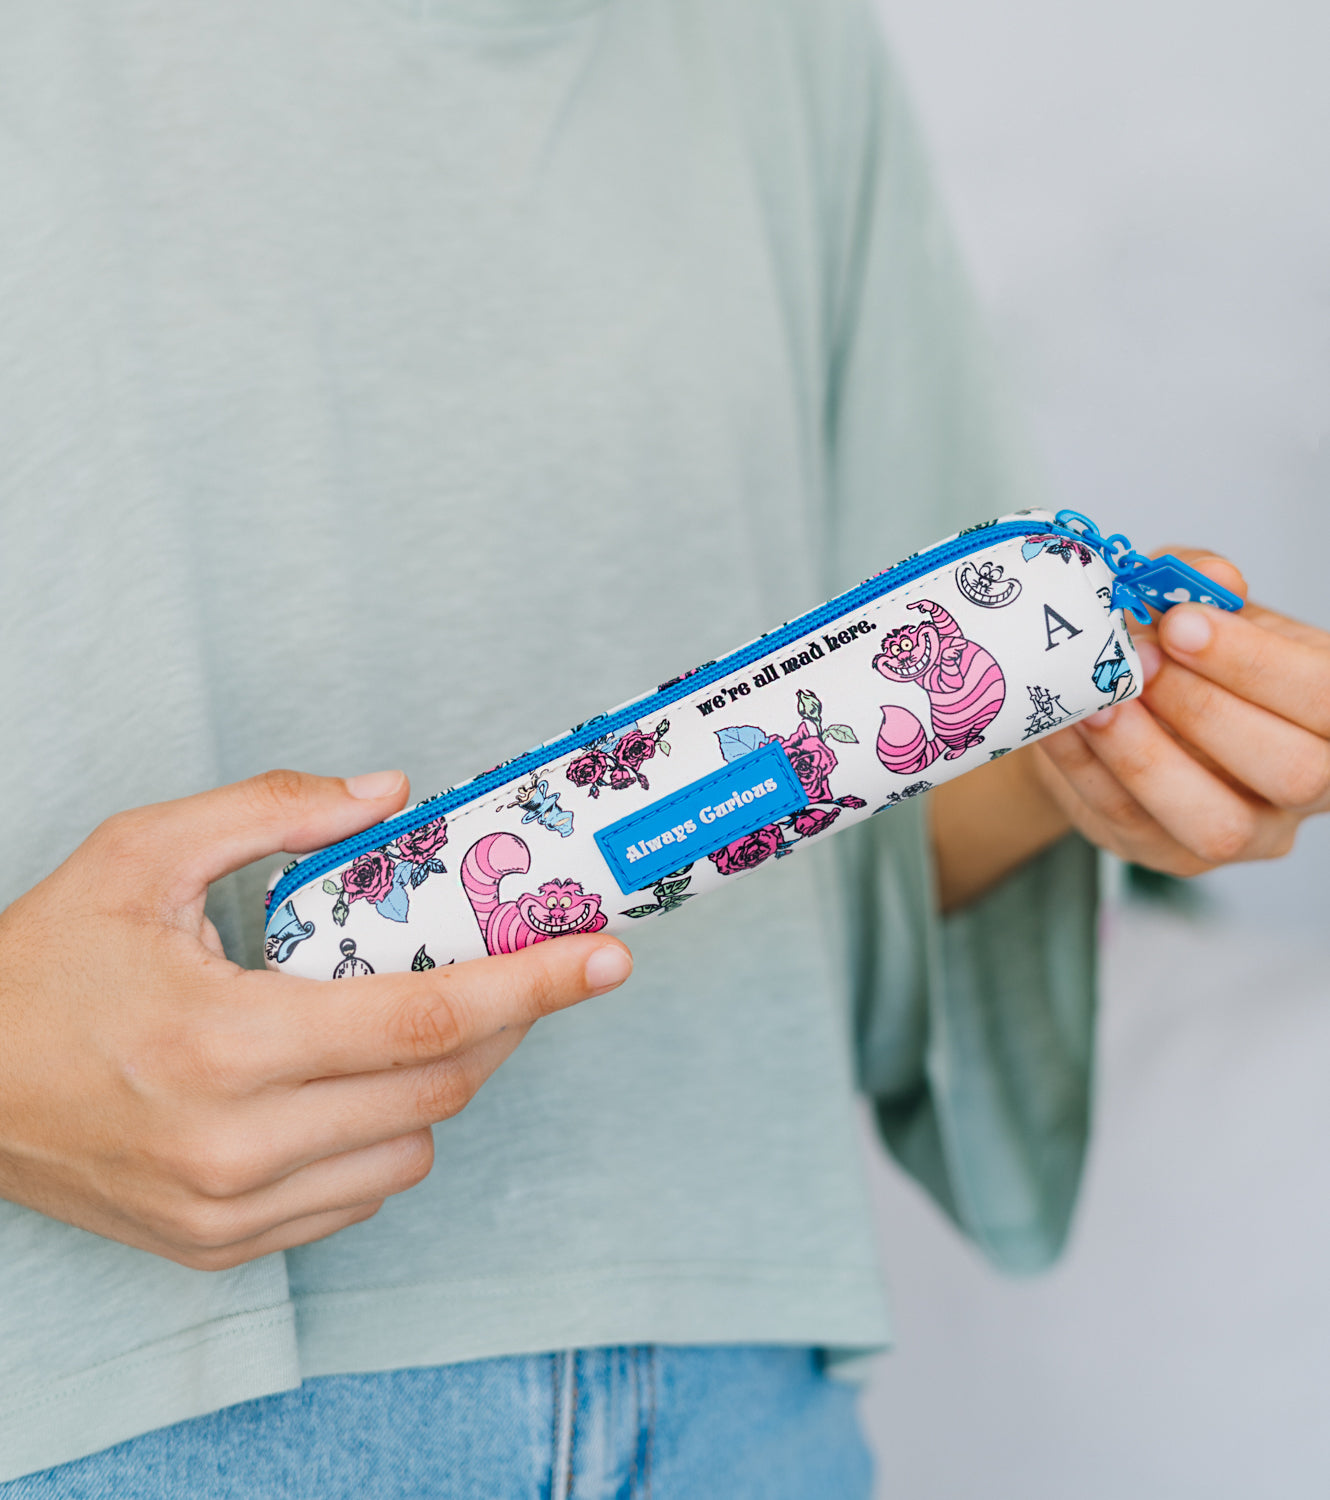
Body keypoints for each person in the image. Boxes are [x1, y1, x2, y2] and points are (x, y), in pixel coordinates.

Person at [1, 0, 1326, 1493]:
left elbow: (837, 858)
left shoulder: (775, 46)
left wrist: (1103, 764)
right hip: (112, 1406)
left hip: (739, 1387)